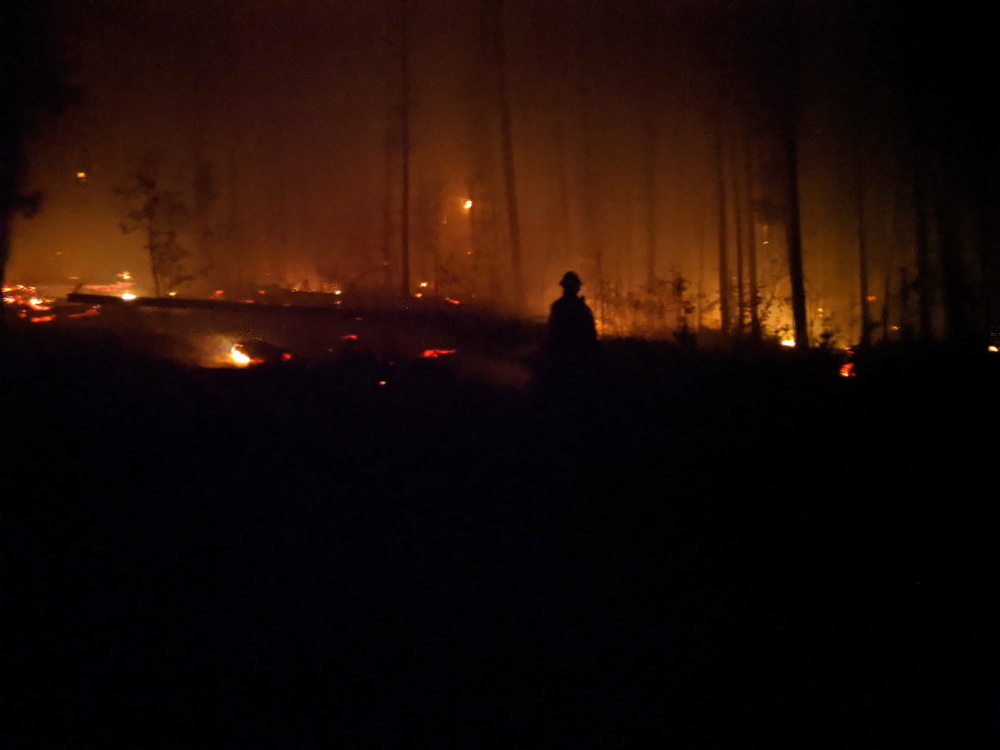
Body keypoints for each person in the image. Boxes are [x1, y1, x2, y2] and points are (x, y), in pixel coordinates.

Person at [547, 271, 597, 361]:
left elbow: (552, 331)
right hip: (578, 353)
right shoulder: (581, 307)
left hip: (563, 353)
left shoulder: (558, 306)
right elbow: (590, 331)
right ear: (577, 288)